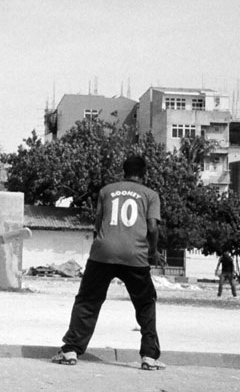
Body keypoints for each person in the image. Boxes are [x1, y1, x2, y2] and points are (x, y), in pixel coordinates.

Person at [52, 155, 163, 370]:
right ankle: (149, 357)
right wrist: (154, 250)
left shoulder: (106, 191)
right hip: (135, 255)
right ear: (144, 173)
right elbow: (152, 227)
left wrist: (100, 247)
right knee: (145, 304)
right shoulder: (150, 195)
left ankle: (71, 350)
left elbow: (98, 223)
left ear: (123, 171)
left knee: (88, 301)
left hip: (103, 253)